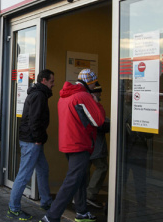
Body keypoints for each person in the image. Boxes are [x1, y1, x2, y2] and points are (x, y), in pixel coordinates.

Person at [41, 69, 106, 222]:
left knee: (80, 179)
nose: (95, 87)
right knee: (72, 181)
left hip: (68, 143)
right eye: (94, 84)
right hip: (80, 144)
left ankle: (82, 212)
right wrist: (97, 102)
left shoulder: (65, 96)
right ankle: (51, 216)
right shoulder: (83, 96)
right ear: (89, 83)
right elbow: (99, 121)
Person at [7, 69, 55, 220]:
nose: (53, 84)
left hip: (33, 139)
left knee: (43, 169)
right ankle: (13, 208)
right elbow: (34, 120)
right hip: (32, 141)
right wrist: (37, 138)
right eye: (51, 81)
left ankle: (46, 201)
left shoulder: (39, 94)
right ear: (44, 80)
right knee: (24, 174)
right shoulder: (39, 95)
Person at [86, 83, 110, 208]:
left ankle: (81, 195)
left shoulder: (84, 102)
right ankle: (89, 195)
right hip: (96, 144)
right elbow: (99, 122)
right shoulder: (93, 104)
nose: (100, 94)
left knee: (85, 169)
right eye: (98, 91)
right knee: (101, 167)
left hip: (88, 143)